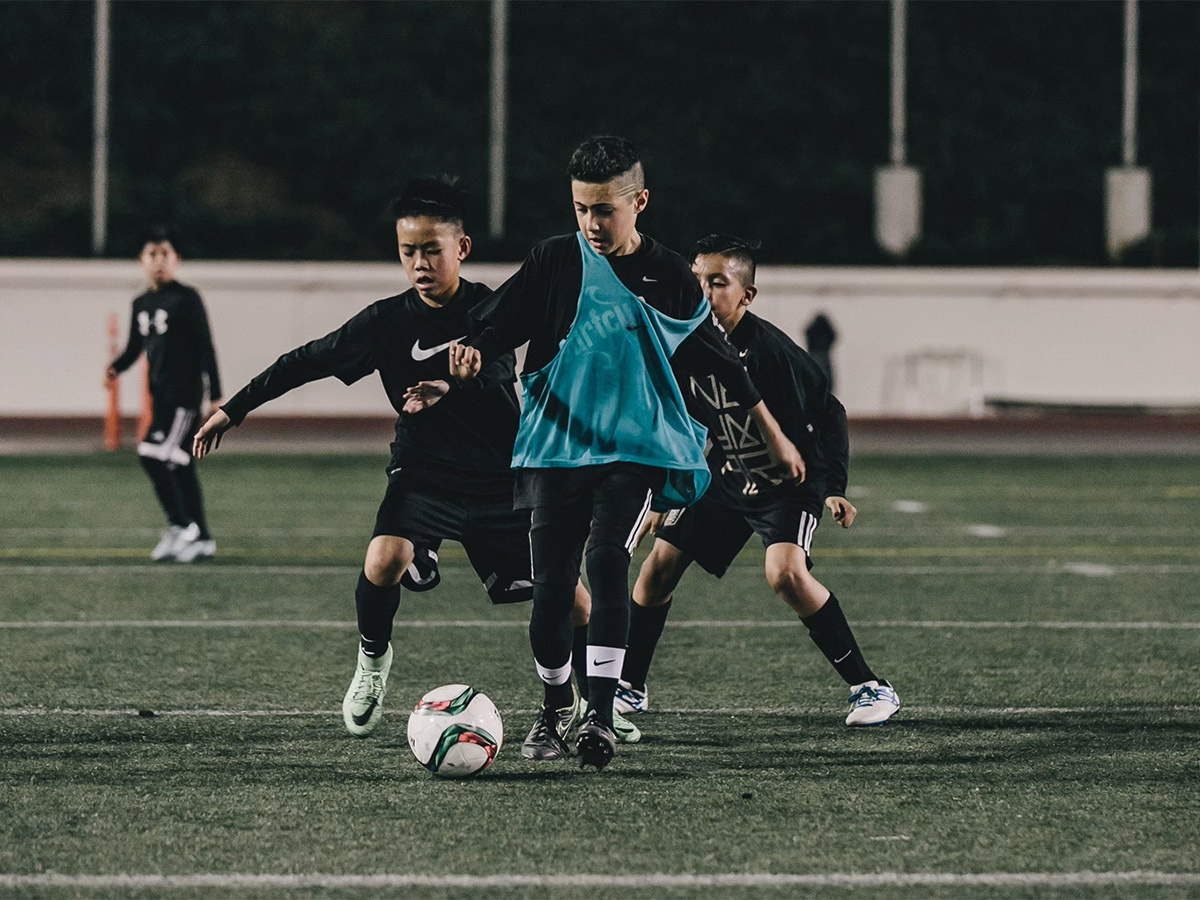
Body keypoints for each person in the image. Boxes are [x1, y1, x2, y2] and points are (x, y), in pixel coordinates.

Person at [192, 178, 595, 740]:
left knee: (574, 600)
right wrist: (234, 409)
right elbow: (303, 361)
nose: (420, 262)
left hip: (500, 477)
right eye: (409, 251)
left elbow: (503, 371)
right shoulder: (386, 322)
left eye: (433, 249)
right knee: (383, 559)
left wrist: (451, 388)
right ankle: (372, 661)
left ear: (462, 248)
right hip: (423, 472)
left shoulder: (490, 307)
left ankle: (593, 702)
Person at [449, 137, 806, 769]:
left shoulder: (668, 274)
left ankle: (602, 715)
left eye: (604, 210)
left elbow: (714, 357)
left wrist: (769, 431)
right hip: (556, 445)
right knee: (553, 586)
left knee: (608, 559)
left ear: (638, 202)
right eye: (581, 209)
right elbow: (498, 321)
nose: (590, 223)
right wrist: (475, 349)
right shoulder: (555, 260)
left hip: (636, 447)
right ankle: (556, 703)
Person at [615, 235, 900, 727]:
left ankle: (871, 687)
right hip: (728, 474)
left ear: (746, 296)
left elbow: (831, 414)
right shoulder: (680, 342)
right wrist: (665, 488)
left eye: (718, 283)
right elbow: (680, 421)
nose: (702, 292)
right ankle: (631, 687)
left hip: (789, 484)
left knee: (785, 574)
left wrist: (833, 486)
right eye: (696, 280)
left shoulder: (773, 354)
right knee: (657, 568)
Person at [106, 226, 222, 563]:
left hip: (184, 397)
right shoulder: (140, 302)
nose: (159, 261)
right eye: (152, 255)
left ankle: (181, 525)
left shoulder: (187, 299)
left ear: (176, 260)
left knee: (151, 454)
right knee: (181, 465)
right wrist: (116, 366)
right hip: (161, 398)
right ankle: (202, 539)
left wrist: (215, 394)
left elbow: (205, 346)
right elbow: (135, 347)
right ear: (141, 261)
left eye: (165, 255)